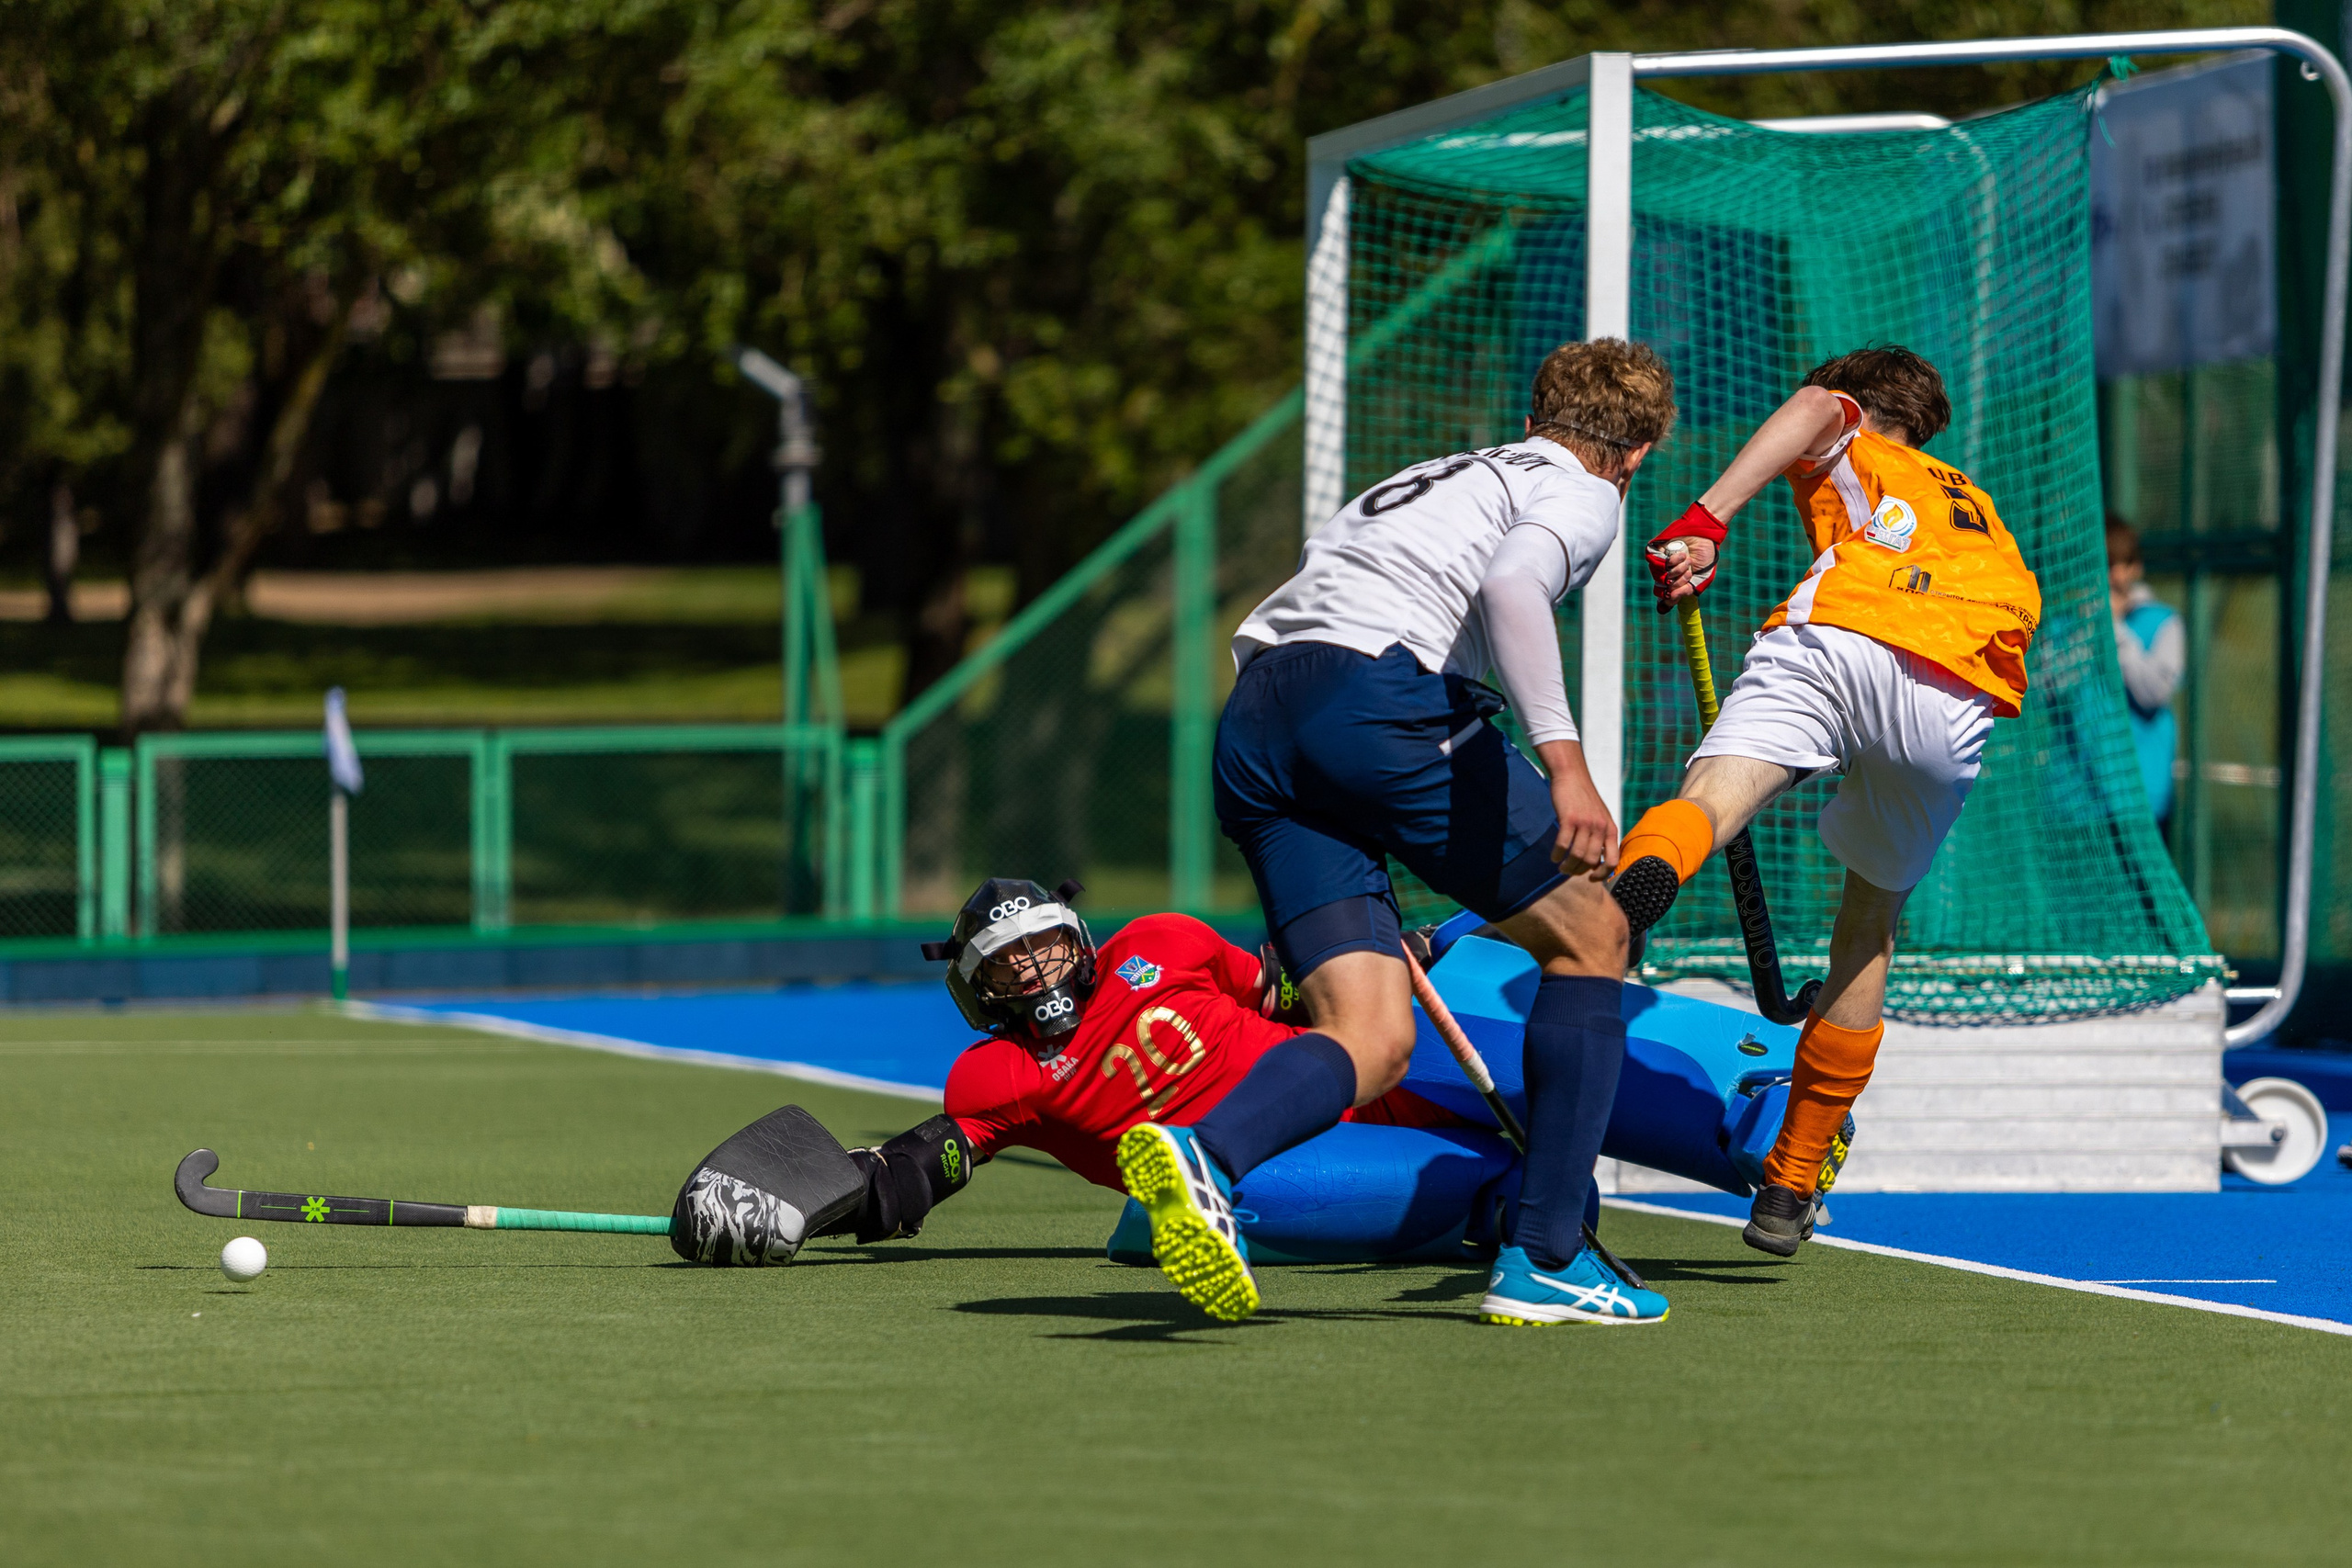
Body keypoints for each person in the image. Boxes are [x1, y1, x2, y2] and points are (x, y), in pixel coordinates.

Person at [1114, 338, 1680, 1327]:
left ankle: (1206, 1154)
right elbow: (1511, 590)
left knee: (1370, 1038)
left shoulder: (1440, 472)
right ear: (1633, 452)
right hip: (1368, 702)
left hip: (1257, 719)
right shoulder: (1584, 491)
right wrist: (1566, 764)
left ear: (1537, 414)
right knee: (1595, 934)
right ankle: (1546, 1254)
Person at [1625, 344, 2041, 1258]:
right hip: (1961, 682)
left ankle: (1636, 893)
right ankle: (1790, 1180)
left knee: (1712, 799)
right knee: (1868, 926)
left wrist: (1708, 518)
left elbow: (1814, 406)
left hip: (1850, 623)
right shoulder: (1968, 497)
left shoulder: (1853, 432)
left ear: (1865, 403)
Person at [2106, 516, 2184, 839]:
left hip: (2142, 799)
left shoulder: (2163, 622)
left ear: (2135, 567)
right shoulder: (2070, 623)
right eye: (2104, 564)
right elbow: (2050, 690)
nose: (2110, 575)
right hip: (2075, 800)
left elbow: (2153, 693)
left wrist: (2113, 631)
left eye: (2118, 564)